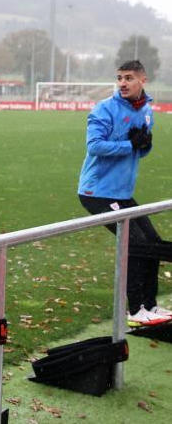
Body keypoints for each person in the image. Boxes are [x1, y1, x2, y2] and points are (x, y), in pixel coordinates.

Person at [78, 60, 172, 327]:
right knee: (137, 244)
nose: (122, 83)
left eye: (129, 78)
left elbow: (139, 150)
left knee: (152, 241)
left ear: (143, 80)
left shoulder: (147, 111)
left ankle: (150, 306)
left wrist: (143, 145)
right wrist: (128, 144)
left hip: (122, 193)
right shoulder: (104, 109)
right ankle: (136, 310)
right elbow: (94, 146)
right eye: (119, 77)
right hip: (97, 193)